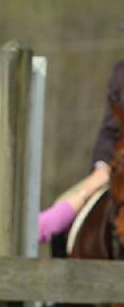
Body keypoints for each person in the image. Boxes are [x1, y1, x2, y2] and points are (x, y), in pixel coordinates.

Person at [37, 60, 123, 244]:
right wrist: (102, 167)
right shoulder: (121, 72)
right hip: (119, 167)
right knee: (63, 203)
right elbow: (110, 130)